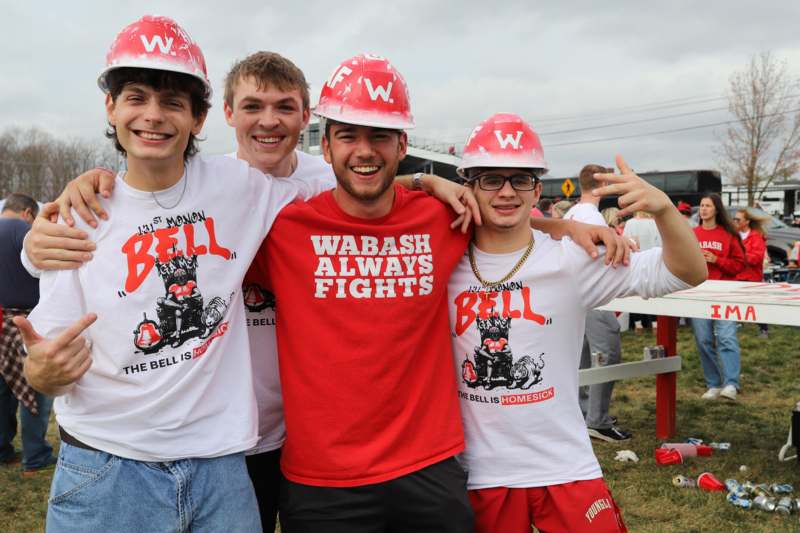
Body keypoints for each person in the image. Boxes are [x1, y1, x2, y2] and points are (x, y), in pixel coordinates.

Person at [14, 16, 340, 532]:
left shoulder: (241, 185)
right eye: (136, 98)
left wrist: (431, 183)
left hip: (220, 468)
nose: (153, 117)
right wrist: (40, 372)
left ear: (199, 118)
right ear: (111, 108)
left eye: (172, 103)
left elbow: (357, 190)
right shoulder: (81, 213)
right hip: (107, 465)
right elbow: (47, 352)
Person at [449, 115, 707, 533]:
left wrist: (662, 210)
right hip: (478, 474)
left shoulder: (571, 259)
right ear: (469, 185)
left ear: (538, 188)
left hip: (564, 465)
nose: (507, 191)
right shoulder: (443, 258)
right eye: (491, 179)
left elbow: (687, 272)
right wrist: (427, 183)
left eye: (521, 179)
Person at [565, 165, 632, 442]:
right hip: (592, 294)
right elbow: (606, 256)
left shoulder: (571, 212)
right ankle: (598, 420)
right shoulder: (591, 215)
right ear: (601, 184)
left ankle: (583, 412)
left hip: (573, 295)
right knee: (607, 353)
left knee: (582, 356)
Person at [0, 194, 58, 476]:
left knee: (2, 390)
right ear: (27, 212)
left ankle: (2, 450)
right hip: (24, 321)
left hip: (0, 320)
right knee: (35, 388)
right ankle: (35, 457)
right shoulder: (28, 232)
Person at [692, 193, 745, 401]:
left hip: (724, 292)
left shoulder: (727, 235)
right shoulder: (692, 234)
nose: (703, 209)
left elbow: (740, 265)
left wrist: (717, 259)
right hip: (698, 292)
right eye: (702, 206)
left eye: (708, 206)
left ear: (716, 210)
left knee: (726, 337)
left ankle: (732, 383)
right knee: (703, 340)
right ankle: (713, 383)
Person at [734, 208, 769, 337]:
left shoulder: (756, 236)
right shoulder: (734, 235)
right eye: (734, 219)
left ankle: (763, 328)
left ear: (747, 221)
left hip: (752, 277)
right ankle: (738, 323)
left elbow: (756, 258)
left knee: (755, 305)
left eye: (738, 219)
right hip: (737, 276)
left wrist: (740, 257)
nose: (735, 221)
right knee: (735, 303)